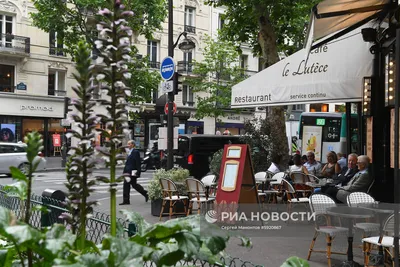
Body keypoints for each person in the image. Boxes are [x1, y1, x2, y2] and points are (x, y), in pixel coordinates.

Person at [120, 140, 148, 205]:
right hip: (127, 171)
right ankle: (126, 200)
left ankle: (145, 193)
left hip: (132, 172)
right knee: (127, 185)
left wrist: (138, 171)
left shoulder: (135, 152)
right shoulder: (129, 152)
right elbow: (127, 163)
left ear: (133, 145)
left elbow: (138, 162)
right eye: (128, 144)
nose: (128, 145)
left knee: (134, 185)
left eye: (129, 144)